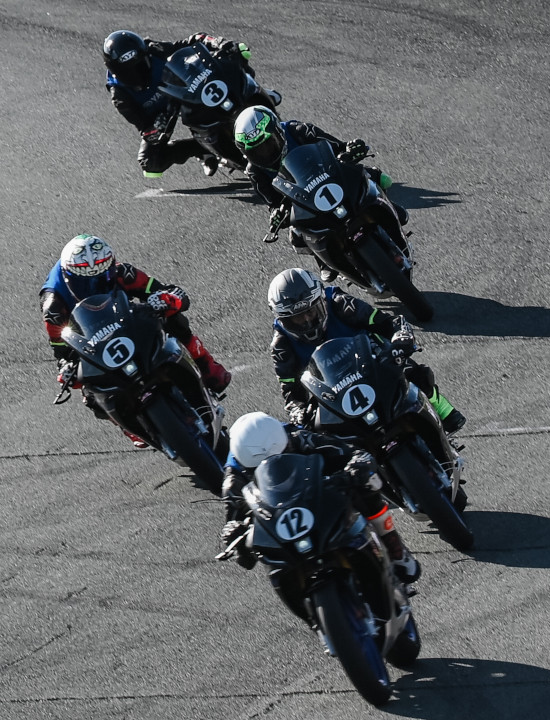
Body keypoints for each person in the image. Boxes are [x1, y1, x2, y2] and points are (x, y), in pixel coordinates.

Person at [41, 234, 232, 445]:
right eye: (85, 283)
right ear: (68, 278)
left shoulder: (123, 273)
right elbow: (61, 348)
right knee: (87, 390)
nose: (95, 286)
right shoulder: (53, 306)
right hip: (91, 336)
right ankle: (128, 426)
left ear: (111, 267)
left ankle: (205, 364)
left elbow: (167, 291)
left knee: (172, 318)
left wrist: (166, 299)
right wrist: (66, 367)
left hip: (123, 318)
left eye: (102, 278)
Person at [217, 411, 422, 583]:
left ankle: (394, 546)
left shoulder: (296, 437)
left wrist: (356, 466)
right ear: (246, 466)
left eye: (283, 454)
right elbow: (243, 557)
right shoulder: (233, 481)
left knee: (367, 482)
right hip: (281, 524)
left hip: (318, 493)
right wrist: (235, 536)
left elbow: (353, 453)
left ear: (285, 444)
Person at [266, 267, 466, 434]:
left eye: (310, 312)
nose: (307, 321)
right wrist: (298, 411)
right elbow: (290, 390)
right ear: (283, 320)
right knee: (312, 432)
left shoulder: (340, 303)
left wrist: (401, 338)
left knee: (413, 372)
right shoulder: (281, 345)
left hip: (372, 363)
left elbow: (387, 323)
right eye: (296, 318)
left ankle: (442, 410)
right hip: (332, 392)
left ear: (322, 301)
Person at [232, 105, 408, 281]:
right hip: (303, 198)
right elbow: (274, 202)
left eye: (268, 144)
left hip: (331, 176)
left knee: (380, 179)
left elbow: (338, 147)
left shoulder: (298, 131)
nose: (265, 153)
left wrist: (351, 149)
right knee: (296, 236)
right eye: (256, 151)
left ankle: (386, 207)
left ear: (278, 131)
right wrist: (277, 214)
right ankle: (325, 261)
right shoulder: (255, 172)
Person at [102, 30, 255, 178]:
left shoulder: (154, 49)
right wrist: (155, 128)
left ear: (145, 55)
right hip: (162, 115)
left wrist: (219, 43)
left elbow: (193, 41)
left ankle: (253, 96)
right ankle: (204, 149)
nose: (135, 74)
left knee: (233, 60)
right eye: (127, 71)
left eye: (139, 66)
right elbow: (145, 128)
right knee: (151, 163)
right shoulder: (120, 95)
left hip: (185, 93)